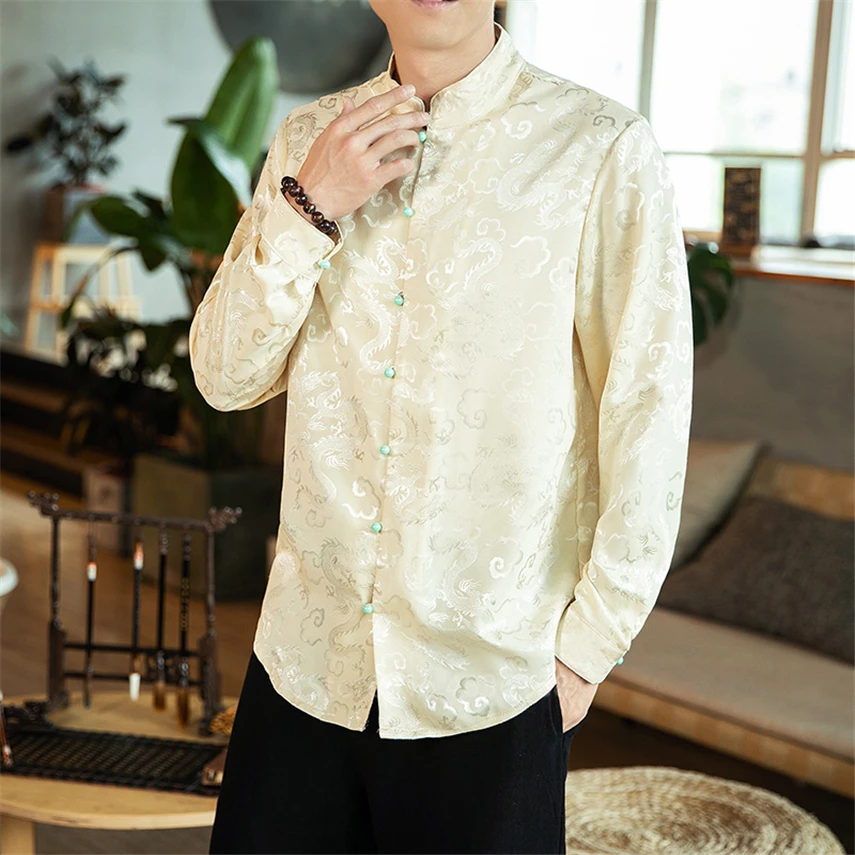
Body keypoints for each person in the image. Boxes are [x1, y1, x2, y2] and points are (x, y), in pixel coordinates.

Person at [191, 1, 693, 852]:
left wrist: (587, 649)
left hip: (492, 683)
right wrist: (311, 204)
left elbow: (647, 410)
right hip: (306, 663)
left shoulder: (600, 147)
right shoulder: (307, 141)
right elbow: (224, 376)